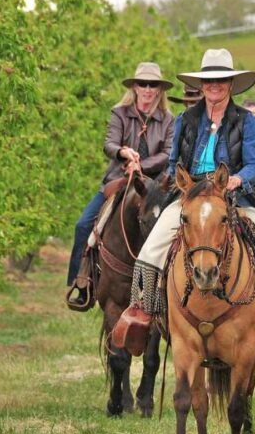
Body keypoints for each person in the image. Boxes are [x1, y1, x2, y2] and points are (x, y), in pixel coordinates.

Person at [111, 48, 255, 359]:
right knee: (152, 247)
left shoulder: (245, 121)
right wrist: (176, 181)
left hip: (235, 196)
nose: (215, 86)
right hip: (191, 196)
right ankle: (143, 312)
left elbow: (254, 164)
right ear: (203, 85)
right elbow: (173, 162)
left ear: (231, 85)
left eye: (221, 81)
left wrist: (237, 180)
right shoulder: (185, 120)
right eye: (209, 81)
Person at [66, 62, 175, 305]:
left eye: (153, 85)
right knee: (84, 225)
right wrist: (124, 152)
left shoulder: (169, 119)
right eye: (143, 84)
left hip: (153, 187)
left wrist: (142, 166)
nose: (147, 89)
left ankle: (171, 287)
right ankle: (81, 282)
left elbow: (169, 153)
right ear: (135, 87)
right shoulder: (120, 113)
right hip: (119, 180)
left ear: (159, 90)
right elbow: (109, 143)